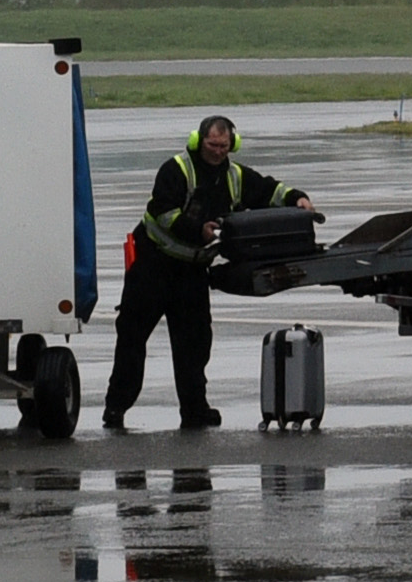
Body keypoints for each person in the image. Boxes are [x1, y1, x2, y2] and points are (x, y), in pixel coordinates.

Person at [107, 115, 301, 431]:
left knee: (195, 345)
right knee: (132, 338)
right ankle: (116, 407)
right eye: (212, 145)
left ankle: (195, 410)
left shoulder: (236, 175)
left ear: (232, 144)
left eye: (224, 146)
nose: (218, 151)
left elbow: (268, 189)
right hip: (152, 265)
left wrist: (296, 198)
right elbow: (164, 213)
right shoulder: (176, 170)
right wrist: (200, 230)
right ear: (199, 141)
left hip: (192, 271)